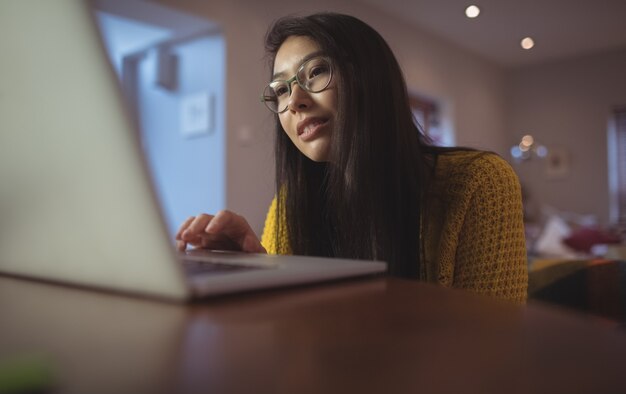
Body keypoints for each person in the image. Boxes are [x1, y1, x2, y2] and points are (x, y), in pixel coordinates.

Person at [176, 13, 528, 303]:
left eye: (315, 71)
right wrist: (252, 273)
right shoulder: (287, 206)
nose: (294, 100)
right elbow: (292, 344)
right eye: (280, 90)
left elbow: (491, 351)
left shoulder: (479, 182)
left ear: (369, 77)